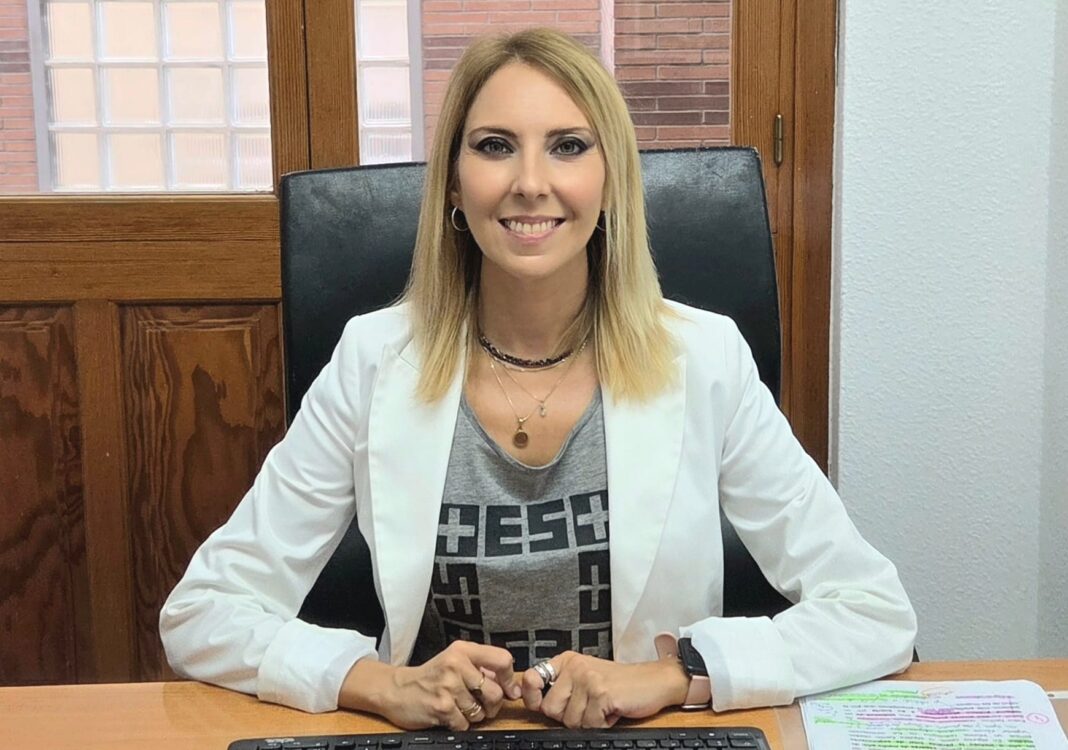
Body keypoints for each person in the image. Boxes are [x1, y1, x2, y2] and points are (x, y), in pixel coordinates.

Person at [160, 27, 916, 731]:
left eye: (568, 146)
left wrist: (678, 674)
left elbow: (873, 611)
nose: (529, 182)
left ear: (610, 179)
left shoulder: (705, 357)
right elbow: (204, 613)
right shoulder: (373, 359)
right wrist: (381, 682)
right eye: (495, 146)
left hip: (641, 740)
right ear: (453, 183)